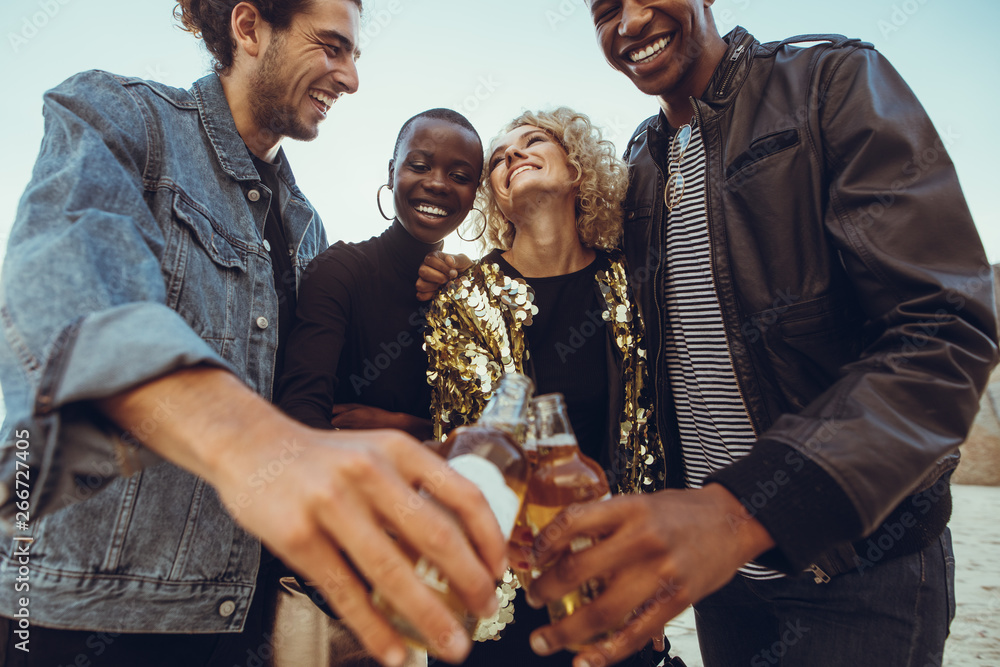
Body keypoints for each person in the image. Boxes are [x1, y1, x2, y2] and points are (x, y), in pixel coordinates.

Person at [0, 2, 504, 665]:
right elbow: (67, 295)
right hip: (76, 609)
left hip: (237, 618)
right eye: (332, 47)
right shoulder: (119, 115)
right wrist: (251, 436)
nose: (350, 78)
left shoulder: (305, 228)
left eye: (354, 55)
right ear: (248, 27)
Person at [515, 2, 1000, 667]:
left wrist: (743, 511)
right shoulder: (642, 164)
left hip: (861, 568)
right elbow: (639, 370)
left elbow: (946, 329)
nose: (627, 22)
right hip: (725, 584)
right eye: (603, 10)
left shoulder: (832, 83)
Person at [420, 108, 669, 667]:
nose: (513, 157)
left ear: (579, 170)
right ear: (497, 200)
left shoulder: (633, 286)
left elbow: (656, 438)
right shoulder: (464, 300)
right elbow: (466, 458)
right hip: (499, 601)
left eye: (532, 142)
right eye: (499, 160)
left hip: (612, 593)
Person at [278, 108, 483, 441]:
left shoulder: (472, 296)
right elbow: (301, 411)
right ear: (392, 172)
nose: (436, 183)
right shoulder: (340, 271)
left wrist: (405, 426)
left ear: (475, 194)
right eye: (419, 166)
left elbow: (492, 429)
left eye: (460, 176)